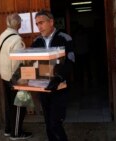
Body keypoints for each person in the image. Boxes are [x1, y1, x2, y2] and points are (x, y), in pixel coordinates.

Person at [31, 10, 75, 141]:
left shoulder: (65, 38)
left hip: (59, 87)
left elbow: (71, 61)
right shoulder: (36, 41)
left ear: (51, 22)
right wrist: (23, 77)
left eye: (42, 23)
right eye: (37, 24)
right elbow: (31, 63)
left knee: (55, 123)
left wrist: (59, 77)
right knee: (48, 123)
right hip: (43, 88)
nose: (39, 27)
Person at [0, 13, 32, 140]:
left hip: (5, 75)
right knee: (18, 105)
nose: (21, 24)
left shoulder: (3, 35)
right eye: (20, 22)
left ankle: (8, 129)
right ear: (18, 24)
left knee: (9, 105)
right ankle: (16, 133)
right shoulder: (17, 39)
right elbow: (18, 62)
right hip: (14, 78)